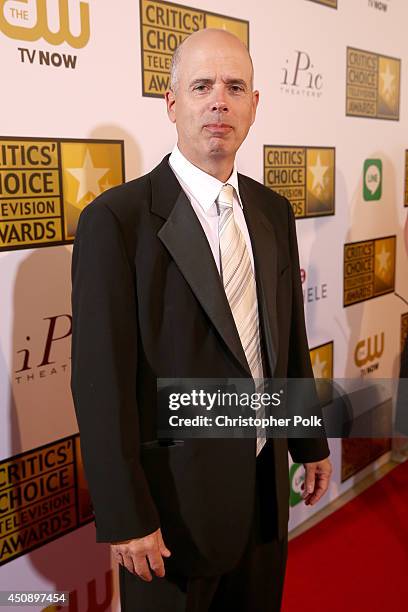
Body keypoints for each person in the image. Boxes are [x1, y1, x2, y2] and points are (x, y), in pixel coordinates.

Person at [71, 28, 332, 612]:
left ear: (255, 105)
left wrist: (308, 441)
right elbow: (99, 385)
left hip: (264, 502)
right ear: (171, 102)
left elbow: (284, 340)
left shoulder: (273, 210)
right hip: (169, 518)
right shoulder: (116, 222)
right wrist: (124, 514)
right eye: (202, 86)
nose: (220, 100)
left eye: (235, 87)